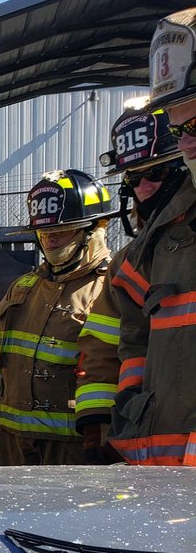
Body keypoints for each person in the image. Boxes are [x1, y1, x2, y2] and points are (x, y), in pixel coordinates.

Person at [0, 171, 116, 464]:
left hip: (72, 448)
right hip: (11, 445)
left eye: (63, 230)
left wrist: (102, 430)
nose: (51, 239)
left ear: (93, 229)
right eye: (45, 232)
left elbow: (115, 366)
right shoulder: (23, 288)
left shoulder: (112, 289)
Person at [107, 7, 196, 465]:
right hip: (162, 472)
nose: (141, 189)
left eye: (155, 174)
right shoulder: (141, 257)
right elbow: (134, 343)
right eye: (181, 129)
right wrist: (128, 413)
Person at [71, 107, 186, 461]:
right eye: (133, 179)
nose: (143, 189)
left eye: (156, 172)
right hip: (157, 457)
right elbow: (107, 350)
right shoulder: (132, 263)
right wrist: (97, 428)